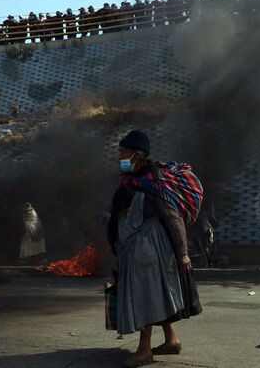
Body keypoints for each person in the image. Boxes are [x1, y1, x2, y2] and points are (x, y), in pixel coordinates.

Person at [107, 130, 203, 368]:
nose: (120, 156)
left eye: (123, 152)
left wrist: (182, 253)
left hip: (152, 250)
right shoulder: (129, 181)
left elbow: (173, 217)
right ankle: (171, 340)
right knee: (155, 295)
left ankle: (143, 350)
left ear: (137, 155)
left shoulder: (154, 181)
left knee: (144, 296)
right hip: (135, 249)